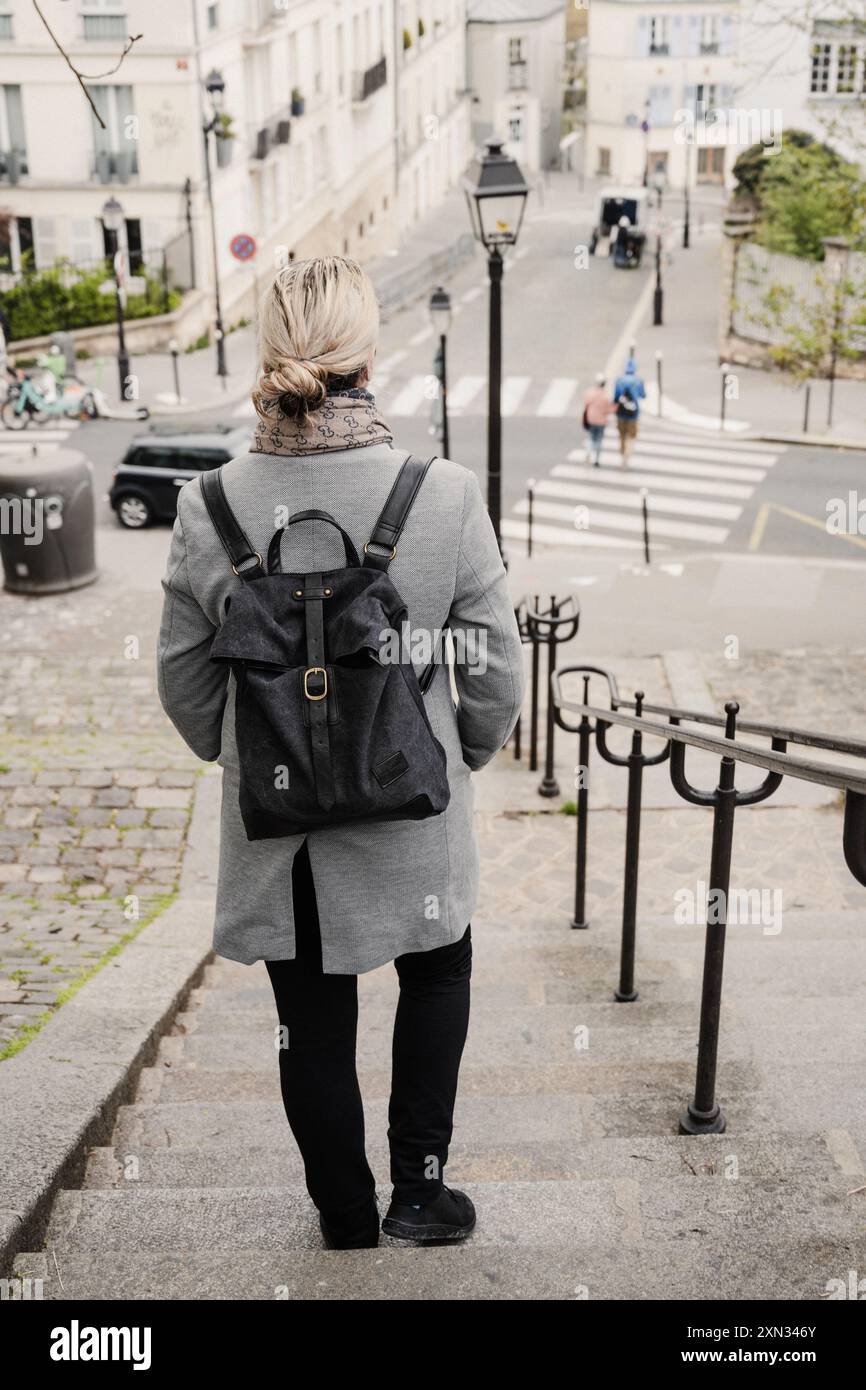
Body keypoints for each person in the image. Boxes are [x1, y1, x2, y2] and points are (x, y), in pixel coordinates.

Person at [157, 257, 525, 1250]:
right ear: (368, 352)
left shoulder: (212, 505)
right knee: (437, 977)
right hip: (414, 816)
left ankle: (343, 1211)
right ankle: (419, 1190)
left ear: (269, 349)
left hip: (288, 840)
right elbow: (493, 670)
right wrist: (467, 752)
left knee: (309, 1022)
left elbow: (186, 686)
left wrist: (243, 748)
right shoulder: (441, 493)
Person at [613, 354, 646, 465]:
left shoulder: (619, 380)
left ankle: (622, 454)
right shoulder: (638, 381)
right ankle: (627, 454)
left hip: (621, 413)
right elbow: (643, 395)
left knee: (622, 434)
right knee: (631, 435)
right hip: (633, 413)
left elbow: (616, 397)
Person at [582, 372, 616, 467]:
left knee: (591, 438)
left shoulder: (589, 393)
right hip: (601, 421)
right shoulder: (605, 396)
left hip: (591, 419)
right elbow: (609, 410)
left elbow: (586, 405)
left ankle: (588, 454)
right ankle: (596, 459)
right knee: (599, 440)